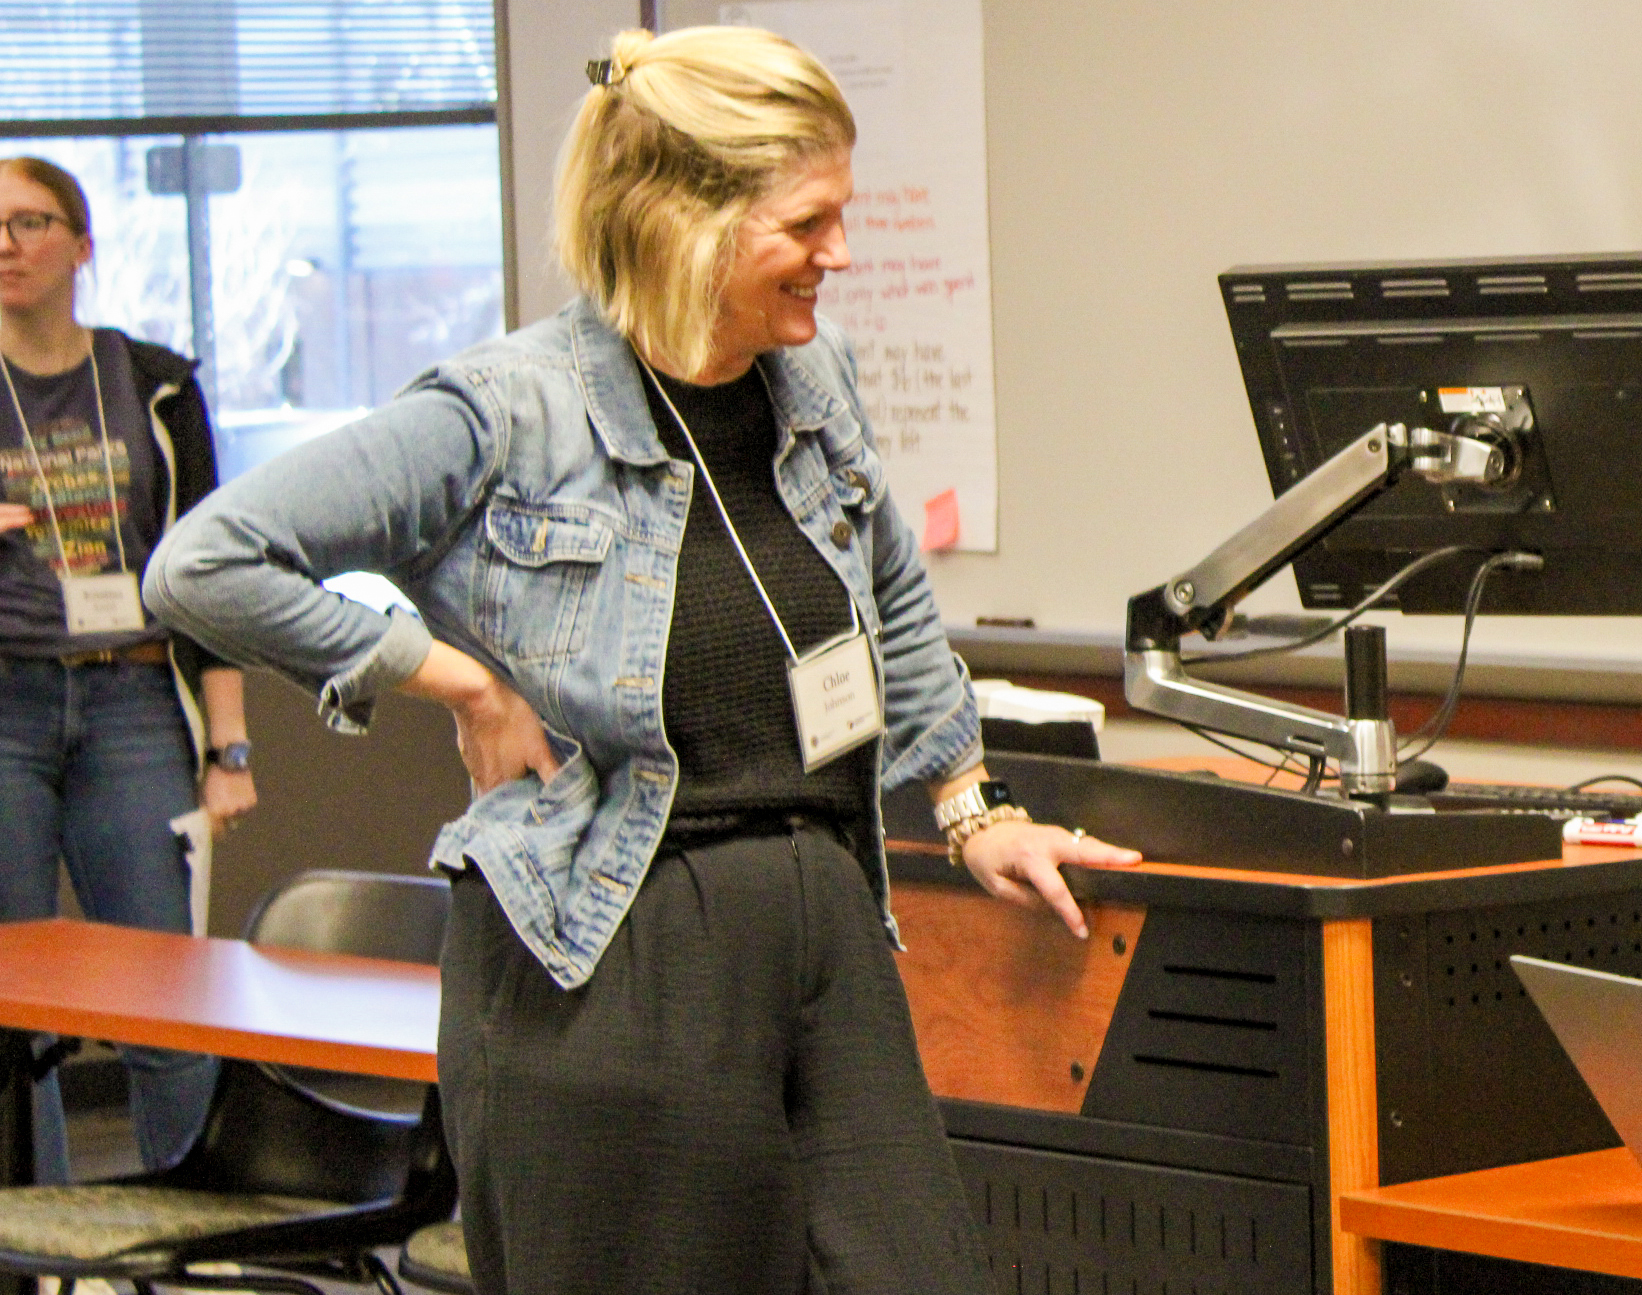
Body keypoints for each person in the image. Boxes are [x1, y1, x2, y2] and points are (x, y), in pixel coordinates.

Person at [145, 27, 1139, 1294]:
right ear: (687, 219)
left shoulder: (808, 375)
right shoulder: (508, 408)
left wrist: (970, 802)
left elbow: (886, 585)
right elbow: (205, 562)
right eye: (809, 222)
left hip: (823, 909)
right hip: (609, 935)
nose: (839, 253)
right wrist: (455, 676)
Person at [0, 155, 249, 1181]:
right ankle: (31, 1246)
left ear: (82, 244)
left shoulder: (154, 383)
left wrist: (228, 744)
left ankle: (190, 1230)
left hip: (135, 700)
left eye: (29, 222)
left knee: (165, 996)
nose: (6, 245)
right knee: (13, 1010)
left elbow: (212, 572)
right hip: (5, 706)